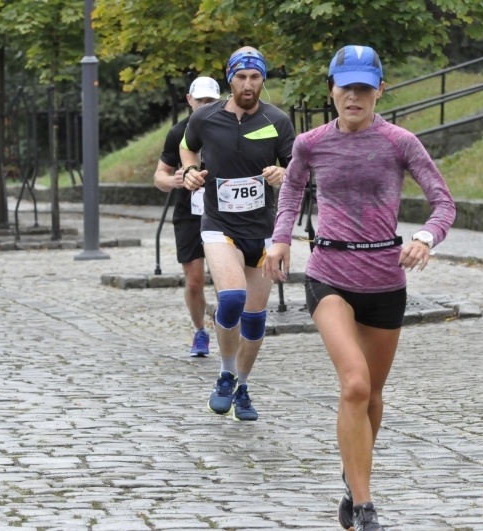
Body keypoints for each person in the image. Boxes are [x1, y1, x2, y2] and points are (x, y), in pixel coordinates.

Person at [263, 45, 455, 530]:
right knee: (353, 383)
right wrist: (281, 238)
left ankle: (353, 477)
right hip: (330, 276)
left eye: (364, 88)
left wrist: (425, 238)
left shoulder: (400, 142)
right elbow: (291, 189)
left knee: (371, 397)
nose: (354, 96)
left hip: (385, 282)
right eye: (346, 87)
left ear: (379, 91)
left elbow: (443, 203)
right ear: (332, 89)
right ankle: (365, 506)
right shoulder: (309, 143)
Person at [181, 46, 295, 421]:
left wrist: (283, 174)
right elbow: (187, 148)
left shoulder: (277, 120)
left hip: (262, 232)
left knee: (255, 319)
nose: (248, 85)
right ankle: (225, 373)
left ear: (263, 80)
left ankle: (241, 384)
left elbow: (297, 168)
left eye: (255, 77)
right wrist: (189, 173)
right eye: (242, 77)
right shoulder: (206, 117)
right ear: (230, 78)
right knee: (231, 299)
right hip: (219, 226)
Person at [154, 76, 221, 357]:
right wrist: (174, 181)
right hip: (189, 214)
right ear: (189, 100)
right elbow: (159, 176)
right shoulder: (178, 132)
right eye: (200, 100)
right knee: (194, 280)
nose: (204, 106)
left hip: (223, 211)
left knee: (226, 279)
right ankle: (199, 331)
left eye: (210, 101)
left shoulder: (229, 129)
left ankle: (230, 329)